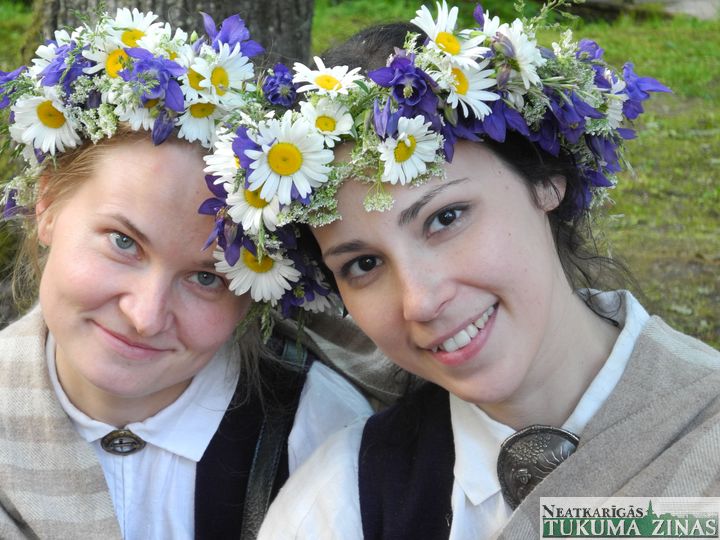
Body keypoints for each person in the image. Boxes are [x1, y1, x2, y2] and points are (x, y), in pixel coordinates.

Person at [190, 1, 720, 538]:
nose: (420, 300)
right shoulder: (339, 504)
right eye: (364, 264)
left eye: (445, 218)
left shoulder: (706, 428)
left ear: (546, 180)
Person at [0, 8, 395, 539]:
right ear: (47, 204)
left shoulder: (319, 436)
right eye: (123, 242)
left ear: (256, 288)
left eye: (207, 278)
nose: (145, 316)